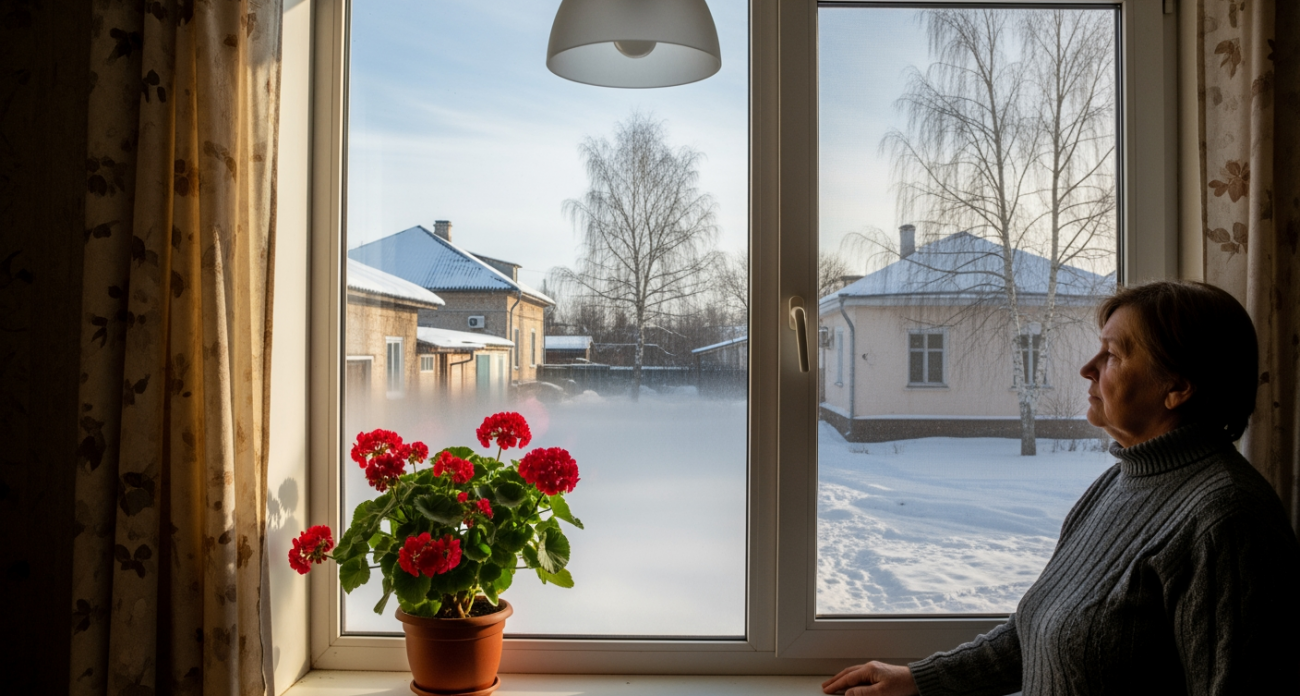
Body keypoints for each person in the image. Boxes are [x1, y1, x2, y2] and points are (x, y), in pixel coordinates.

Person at [822, 280, 1300, 696]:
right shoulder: (1120, 482)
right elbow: (1043, 632)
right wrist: (920, 679)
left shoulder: (1229, 522)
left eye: (1113, 355)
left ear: (1177, 387)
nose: (1088, 368)